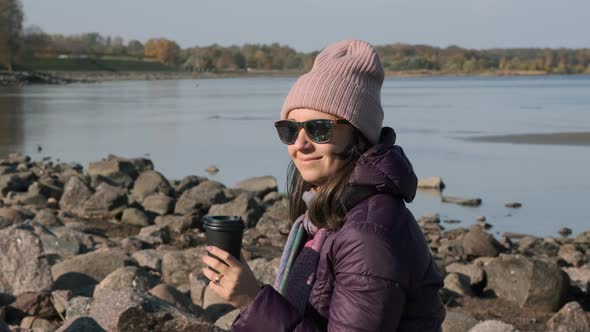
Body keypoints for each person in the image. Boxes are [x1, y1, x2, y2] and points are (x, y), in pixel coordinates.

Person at [201, 39, 446, 331]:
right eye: (290, 130)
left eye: (319, 129)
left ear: (358, 134)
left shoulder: (367, 235)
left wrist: (252, 300)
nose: (300, 144)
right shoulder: (327, 215)